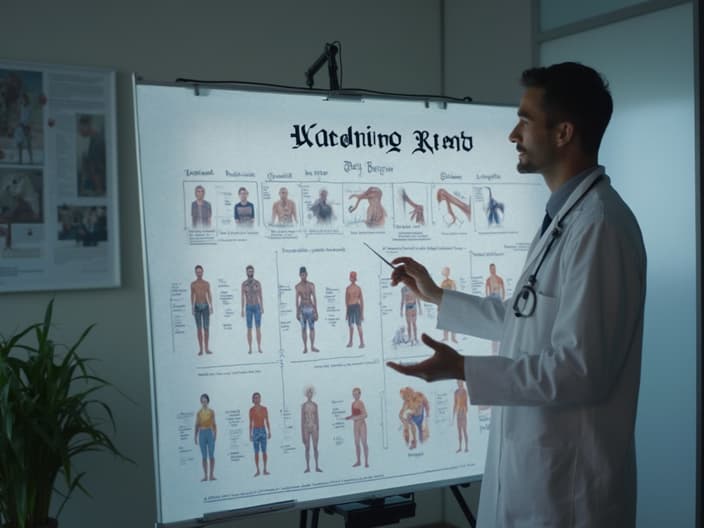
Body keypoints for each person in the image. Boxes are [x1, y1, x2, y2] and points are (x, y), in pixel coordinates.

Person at [387, 63, 646, 527]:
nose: (513, 133)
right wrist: (437, 297)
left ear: (563, 132)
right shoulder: (568, 218)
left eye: (525, 120)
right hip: (537, 481)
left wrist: (464, 369)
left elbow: (580, 370)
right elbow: (527, 321)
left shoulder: (601, 227)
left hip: (569, 497)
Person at [77, 114, 106, 196]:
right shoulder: (96, 139)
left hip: (100, 188)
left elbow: (97, 169)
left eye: (81, 127)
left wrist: (99, 190)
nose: (79, 130)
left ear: (88, 125)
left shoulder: (97, 142)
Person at [295, 266, 319, 353]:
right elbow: (297, 300)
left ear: (307, 274)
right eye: (301, 275)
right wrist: (297, 312)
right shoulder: (297, 287)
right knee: (303, 328)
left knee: (312, 328)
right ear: (299, 275)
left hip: (310, 308)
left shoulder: (311, 285)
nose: (303, 276)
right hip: (302, 309)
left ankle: (312, 346)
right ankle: (305, 347)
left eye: (304, 274)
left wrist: (316, 311)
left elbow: (315, 298)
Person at [191, 265, 213, 355]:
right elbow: (192, 295)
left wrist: (211, 306)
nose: (199, 273)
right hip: (196, 307)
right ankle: (201, 349)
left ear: (203, 272)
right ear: (195, 273)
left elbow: (209, 294)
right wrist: (192, 307)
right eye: (197, 272)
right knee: (199, 328)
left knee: (206, 328)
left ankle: (207, 348)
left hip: (205, 307)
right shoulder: (193, 284)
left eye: (200, 271)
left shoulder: (206, 283)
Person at [241, 265, 263, 354]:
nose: (250, 273)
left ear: (253, 272)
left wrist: (262, 307)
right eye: (249, 271)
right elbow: (242, 297)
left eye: (252, 271)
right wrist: (242, 309)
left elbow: (260, 295)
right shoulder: (244, 284)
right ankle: (250, 348)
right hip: (248, 307)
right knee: (249, 328)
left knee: (258, 327)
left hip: (257, 306)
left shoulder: (257, 283)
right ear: (246, 272)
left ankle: (259, 347)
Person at [194, 393, 217, 481]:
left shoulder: (211, 412)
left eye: (205, 401)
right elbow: (196, 425)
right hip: (202, 433)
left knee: (211, 455)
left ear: (208, 401)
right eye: (202, 401)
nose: (204, 403)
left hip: (209, 433)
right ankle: (205, 476)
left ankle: (211, 475)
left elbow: (214, 424)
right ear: (201, 402)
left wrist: (215, 434)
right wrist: (195, 437)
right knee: (204, 456)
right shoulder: (199, 413)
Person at [485, 263, 505, 355]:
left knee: (500, 328)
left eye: (494, 268)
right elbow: (487, 292)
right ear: (490, 270)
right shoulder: (488, 280)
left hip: (500, 305)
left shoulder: (500, 279)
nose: (493, 270)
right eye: (491, 269)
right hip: (492, 304)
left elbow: (503, 291)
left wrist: (503, 302)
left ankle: (501, 351)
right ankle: (493, 352)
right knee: (493, 330)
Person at [345, 387, 368, 467]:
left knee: (364, 443)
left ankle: (366, 462)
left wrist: (355, 418)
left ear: (359, 394)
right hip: (355, 425)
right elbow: (354, 414)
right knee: (357, 443)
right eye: (354, 394)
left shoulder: (361, 403)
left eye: (357, 394)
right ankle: (358, 461)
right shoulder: (352, 403)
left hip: (361, 424)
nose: (355, 395)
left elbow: (365, 415)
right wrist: (349, 417)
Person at [249, 392, 271, 476]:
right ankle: (258, 470)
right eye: (255, 398)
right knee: (256, 452)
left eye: (258, 397)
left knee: (264, 451)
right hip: (255, 431)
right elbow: (250, 423)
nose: (256, 399)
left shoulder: (264, 409)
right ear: (253, 400)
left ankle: (265, 469)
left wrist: (269, 431)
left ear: (260, 399)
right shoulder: (251, 410)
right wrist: (250, 434)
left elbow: (267, 421)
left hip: (263, 430)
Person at [301, 385, 322, 473]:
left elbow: (317, 418)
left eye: (311, 393)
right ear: (306, 394)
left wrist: (318, 430)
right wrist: (302, 433)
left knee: (315, 447)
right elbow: (302, 419)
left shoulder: (315, 405)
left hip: (314, 427)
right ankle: (308, 467)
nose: (309, 394)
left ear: (312, 394)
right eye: (308, 393)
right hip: (306, 427)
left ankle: (317, 466)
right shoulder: (304, 405)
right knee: (307, 447)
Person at [345, 271, 364, 348]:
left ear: (355, 278)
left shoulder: (358, 288)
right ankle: (350, 342)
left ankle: (362, 342)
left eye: (353, 277)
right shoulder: (348, 288)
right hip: (350, 308)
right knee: (351, 326)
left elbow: (362, 301)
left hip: (356, 307)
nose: (352, 278)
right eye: (351, 277)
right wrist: (346, 313)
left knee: (358, 325)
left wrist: (362, 313)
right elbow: (346, 301)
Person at [439, 267, 458, 343]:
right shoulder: (443, 283)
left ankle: (453, 337)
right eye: (445, 272)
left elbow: (455, 292)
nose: (446, 273)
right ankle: (445, 337)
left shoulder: (452, 282)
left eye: (447, 272)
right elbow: (440, 293)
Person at [452, 380, 469, 453]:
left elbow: (466, 402)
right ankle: (460, 447)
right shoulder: (455, 392)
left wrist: (465, 411)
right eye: (458, 382)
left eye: (460, 382)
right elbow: (455, 403)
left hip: (463, 412)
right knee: (459, 431)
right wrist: (453, 414)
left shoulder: (464, 391)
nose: (459, 383)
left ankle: (466, 447)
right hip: (458, 412)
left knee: (464, 430)